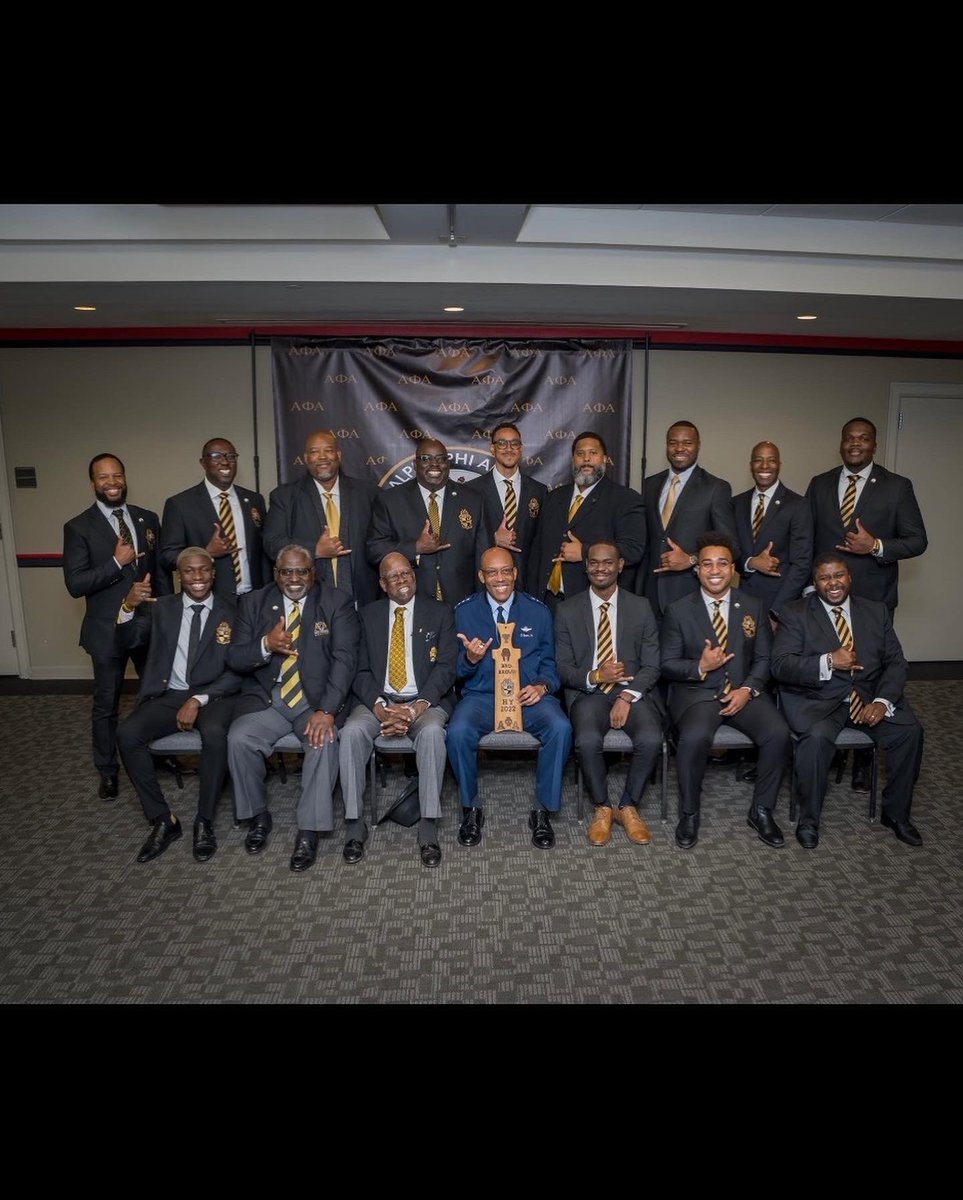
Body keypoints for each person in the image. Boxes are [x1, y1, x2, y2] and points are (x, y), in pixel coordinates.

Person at [805, 417, 927, 791]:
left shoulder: (896, 487)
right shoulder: (821, 484)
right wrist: (808, 591)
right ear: (840, 444)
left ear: (874, 445)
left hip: (872, 602)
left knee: (871, 673)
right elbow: (807, 539)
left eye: (863, 439)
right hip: (826, 602)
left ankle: (865, 755)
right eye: (849, 439)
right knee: (834, 674)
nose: (855, 444)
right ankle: (836, 748)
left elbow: (917, 540)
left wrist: (875, 547)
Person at [771, 553, 925, 849]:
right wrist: (829, 661)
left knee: (910, 732)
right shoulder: (796, 613)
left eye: (838, 575)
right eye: (825, 578)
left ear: (849, 577)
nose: (833, 583)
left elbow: (895, 662)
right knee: (814, 740)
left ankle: (896, 815)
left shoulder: (875, 611)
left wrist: (881, 702)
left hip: (868, 698)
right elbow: (781, 665)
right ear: (815, 583)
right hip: (819, 699)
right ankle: (809, 819)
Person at [226, 544, 359, 872]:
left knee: (324, 739)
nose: (295, 578)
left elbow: (345, 661)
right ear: (276, 573)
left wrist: (327, 711)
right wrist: (266, 645)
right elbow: (235, 658)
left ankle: (309, 830)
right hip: (269, 700)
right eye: (287, 572)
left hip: (313, 704)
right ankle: (257, 816)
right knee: (239, 738)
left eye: (302, 571)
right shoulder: (254, 602)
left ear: (313, 573)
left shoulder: (335, 602)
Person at [660, 532, 791, 850]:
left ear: (733, 569)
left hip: (743, 693)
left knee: (778, 733)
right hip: (698, 694)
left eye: (722, 563)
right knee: (693, 738)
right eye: (707, 564)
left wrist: (748, 689)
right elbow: (667, 664)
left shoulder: (753, 606)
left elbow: (764, 659)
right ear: (697, 570)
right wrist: (701, 666)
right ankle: (689, 813)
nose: (715, 570)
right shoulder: (678, 610)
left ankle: (761, 810)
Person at [115, 547, 242, 864]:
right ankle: (162, 819)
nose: (197, 577)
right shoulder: (161, 609)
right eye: (189, 571)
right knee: (127, 734)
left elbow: (239, 670)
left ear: (213, 573)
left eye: (203, 570)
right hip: (169, 694)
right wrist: (128, 606)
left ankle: (205, 820)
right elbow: (128, 642)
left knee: (215, 734)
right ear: (179, 575)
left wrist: (198, 699)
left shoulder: (233, 610)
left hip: (214, 695)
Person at [447, 546, 572, 850]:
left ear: (515, 574)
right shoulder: (463, 612)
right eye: (492, 572)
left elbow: (550, 663)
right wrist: (470, 659)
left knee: (560, 728)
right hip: (482, 697)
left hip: (527, 697)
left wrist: (543, 685)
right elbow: (452, 671)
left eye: (506, 571)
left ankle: (542, 809)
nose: (500, 578)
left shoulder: (538, 611)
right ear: (481, 576)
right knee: (457, 731)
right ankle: (470, 808)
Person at [63, 453, 170, 799]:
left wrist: (167, 617)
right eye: (104, 477)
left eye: (117, 476)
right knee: (107, 703)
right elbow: (76, 583)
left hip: (148, 624)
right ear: (92, 482)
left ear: (125, 478)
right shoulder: (78, 527)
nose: (112, 483)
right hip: (107, 630)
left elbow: (162, 575)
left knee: (156, 694)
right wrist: (115, 562)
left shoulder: (147, 518)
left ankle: (158, 754)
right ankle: (108, 770)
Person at [339, 552, 457, 867]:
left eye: (406, 572)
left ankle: (429, 824)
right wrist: (380, 709)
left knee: (432, 733)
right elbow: (359, 670)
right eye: (394, 575)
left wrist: (417, 708)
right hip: (379, 699)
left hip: (424, 699)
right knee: (351, 732)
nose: (402, 579)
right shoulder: (367, 616)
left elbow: (446, 667)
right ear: (382, 583)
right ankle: (354, 823)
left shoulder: (440, 612)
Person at [554, 540, 664, 847]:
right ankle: (602, 806)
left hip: (631, 692)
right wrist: (595, 675)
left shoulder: (640, 607)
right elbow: (562, 668)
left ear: (620, 565)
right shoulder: (566, 610)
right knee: (587, 740)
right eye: (593, 562)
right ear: (586, 565)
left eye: (607, 562)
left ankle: (628, 806)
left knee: (651, 739)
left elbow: (653, 664)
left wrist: (627, 696)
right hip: (587, 693)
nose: (600, 568)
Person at [263, 428, 379, 609]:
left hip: (362, 601)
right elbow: (272, 543)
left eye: (328, 450)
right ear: (306, 458)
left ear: (338, 455)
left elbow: (380, 542)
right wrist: (314, 550)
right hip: (310, 602)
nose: (322, 457)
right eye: (314, 452)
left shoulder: (368, 494)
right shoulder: (284, 497)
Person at [367, 436, 488, 606]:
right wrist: (415, 547)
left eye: (441, 459)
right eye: (426, 459)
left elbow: (482, 556)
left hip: (462, 603)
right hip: (412, 603)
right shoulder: (390, 501)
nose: (434, 464)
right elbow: (375, 549)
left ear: (448, 463)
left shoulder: (473, 500)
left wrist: (480, 602)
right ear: (415, 464)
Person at [531, 431, 645, 605]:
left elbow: (633, 550)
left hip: (589, 605)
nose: (586, 459)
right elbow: (537, 551)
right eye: (580, 454)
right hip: (546, 602)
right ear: (572, 460)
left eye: (593, 453)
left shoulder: (625, 499)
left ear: (605, 459)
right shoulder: (554, 497)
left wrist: (585, 552)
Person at [639, 421, 739, 621]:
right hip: (648, 595)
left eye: (687, 443)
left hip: (689, 594)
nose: (679, 448)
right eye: (673, 442)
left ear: (698, 445)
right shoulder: (650, 484)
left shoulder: (716, 488)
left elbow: (732, 547)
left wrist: (691, 560)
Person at [159, 437, 269, 600]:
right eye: (217, 456)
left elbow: (263, 552)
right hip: (210, 600)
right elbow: (168, 556)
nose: (225, 462)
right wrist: (206, 553)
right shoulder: (180, 504)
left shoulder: (254, 500)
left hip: (255, 599)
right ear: (203, 462)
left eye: (231, 456)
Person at [732, 440, 813, 626]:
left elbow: (802, 564)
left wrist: (777, 611)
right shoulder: (736, 504)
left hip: (780, 607)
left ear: (779, 465)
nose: (765, 466)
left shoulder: (798, 505)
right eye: (758, 460)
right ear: (751, 465)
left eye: (771, 460)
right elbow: (730, 551)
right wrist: (750, 562)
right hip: (741, 604)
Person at [464, 422, 546, 593]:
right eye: (502, 443)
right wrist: (492, 540)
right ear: (492, 449)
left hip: (527, 587)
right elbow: (462, 541)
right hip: (486, 586)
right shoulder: (471, 491)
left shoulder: (539, 491)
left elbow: (542, 542)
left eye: (514, 443)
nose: (509, 448)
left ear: (521, 448)